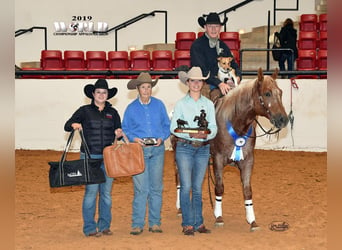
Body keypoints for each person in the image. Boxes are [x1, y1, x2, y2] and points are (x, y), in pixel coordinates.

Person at [64, 79, 123, 237]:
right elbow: (67, 124)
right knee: (91, 192)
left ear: (108, 95)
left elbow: (119, 131)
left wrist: (119, 133)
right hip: (89, 157)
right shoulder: (84, 111)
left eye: (104, 92)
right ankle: (90, 227)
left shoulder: (113, 113)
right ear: (93, 94)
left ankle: (104, 226)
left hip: (108, 157)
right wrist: (74, 125)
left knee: (106, 194)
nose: (101, 95)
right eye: (98, 92)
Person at [170, 67, 218, 236]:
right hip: (185, 147)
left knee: (197, 187)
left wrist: (205, 134)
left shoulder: (209, 104)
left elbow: (213, 127)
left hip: (202, 148)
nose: (196, 84)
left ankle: (198, 222)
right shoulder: (181, 104)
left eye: (199, 80)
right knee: (186, 186)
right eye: (193, 80)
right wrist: (191, 133)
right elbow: (173, 127)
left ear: (202, 83)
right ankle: (188, 223)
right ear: (187, 83)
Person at [122, 72, 170, 235]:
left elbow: (166, 125)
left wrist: (162, 138)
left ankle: (155, 222)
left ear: (151, 89)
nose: (146, 90)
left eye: (149, 87)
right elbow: (125, 129)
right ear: (138, 89)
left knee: (156, 187)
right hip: (138, 151)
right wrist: (134, 138)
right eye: (143, 87)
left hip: (157, 149)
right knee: (141, 188)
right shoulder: (131, 108)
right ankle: (137, 223)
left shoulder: (159, 105)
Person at [190, 12, 242, 102]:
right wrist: (219, 83)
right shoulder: (197, 45)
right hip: (203, 84)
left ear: (220, 28)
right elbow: (201, 70)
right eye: (210, 26)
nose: (214, 29)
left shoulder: (223, 46)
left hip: (223, 83)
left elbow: (234, 65)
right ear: (205, 27)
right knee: (205, 104)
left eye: (216, 26)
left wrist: (237, 77)